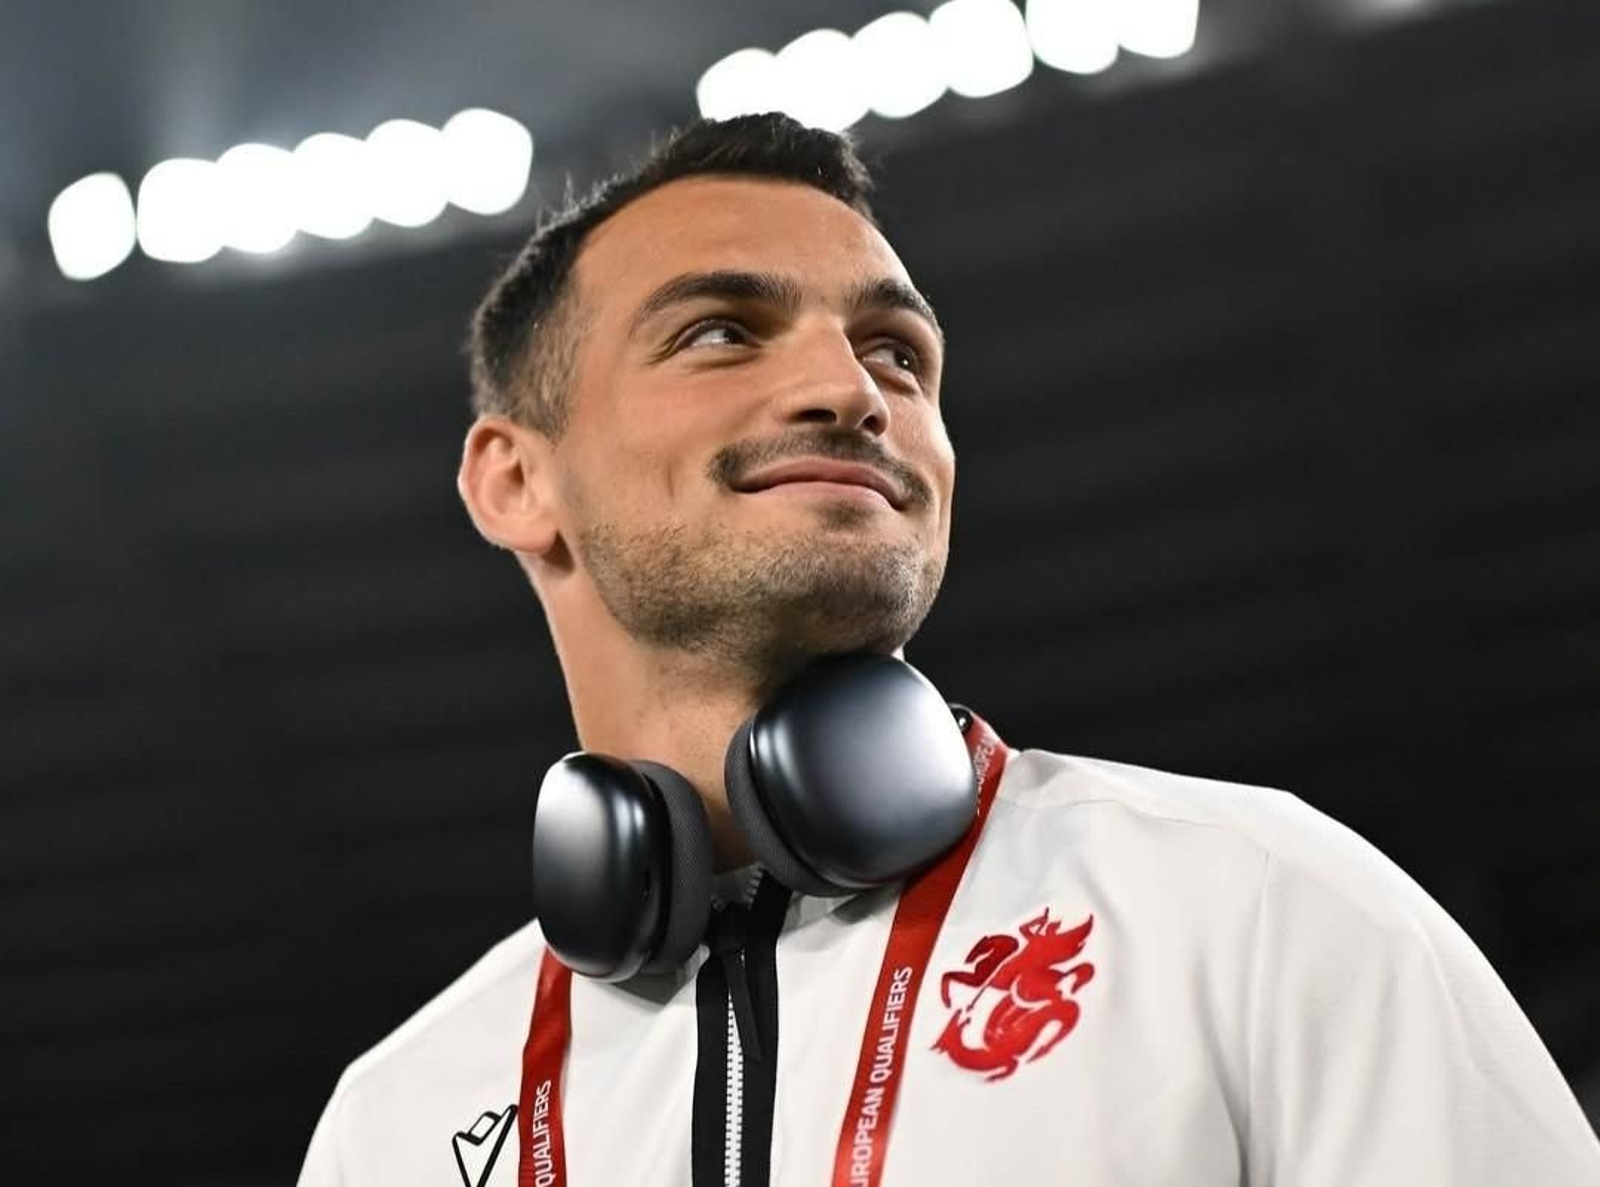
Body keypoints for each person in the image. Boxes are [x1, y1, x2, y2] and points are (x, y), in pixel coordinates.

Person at [297, 113, 1600, 1187]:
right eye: (719, 333)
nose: (851, 391)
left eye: (896, 354)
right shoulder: (396, 1124)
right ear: (515, 481)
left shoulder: (1255, 909)